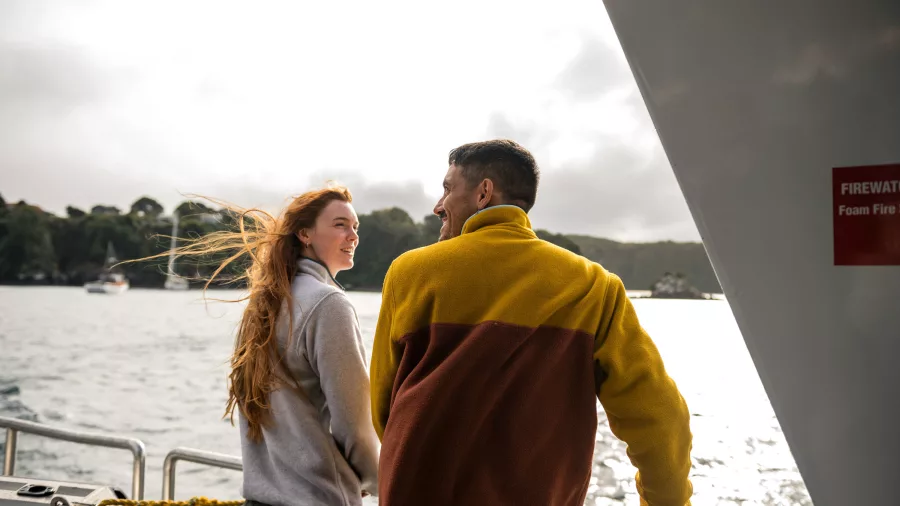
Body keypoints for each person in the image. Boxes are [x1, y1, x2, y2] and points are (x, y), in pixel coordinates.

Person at [370, 140, 693, 505]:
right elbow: (662, 419)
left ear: (483, 193)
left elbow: (384, 405)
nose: (438, 205)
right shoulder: (593, 287)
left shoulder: (410, 273)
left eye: (447, 189)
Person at [143, 186, 380, 506]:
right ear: (305, 234)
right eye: (340, 225)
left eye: (355, 227)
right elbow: (355, 427)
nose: (353, 235)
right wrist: (378, 480)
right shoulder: (328, 304)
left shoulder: (264, 304)